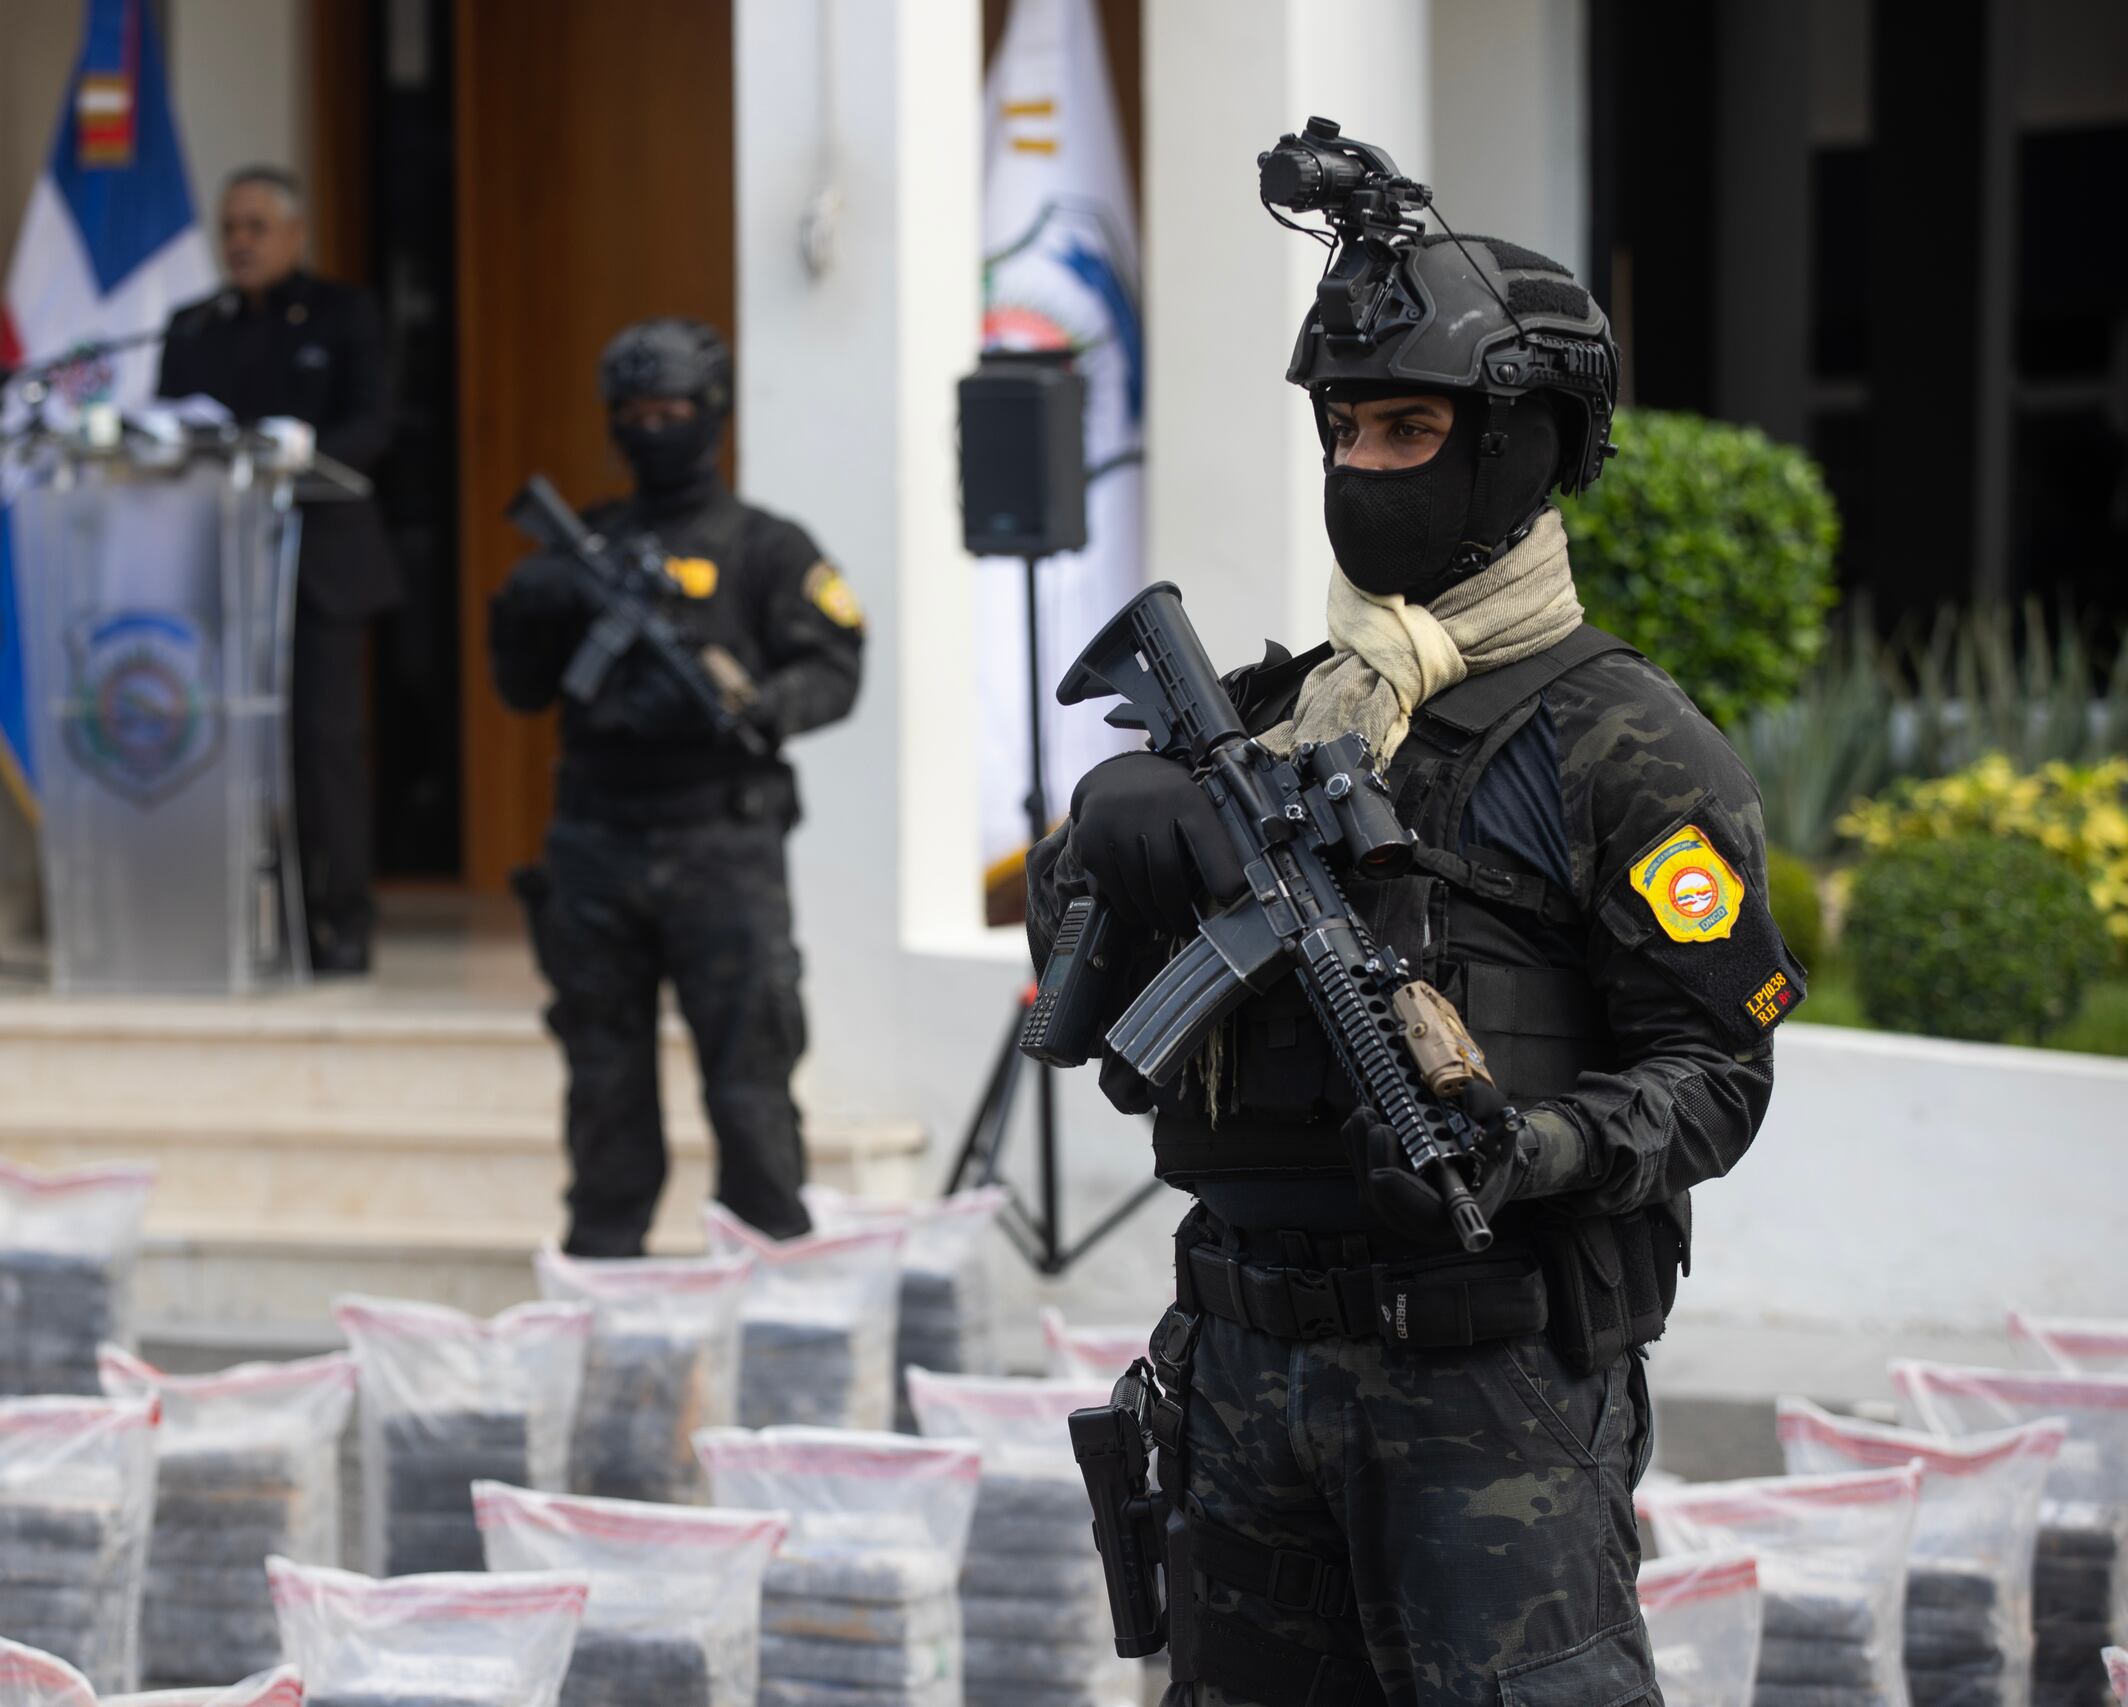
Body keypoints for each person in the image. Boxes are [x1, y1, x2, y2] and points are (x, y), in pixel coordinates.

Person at [1029, 225, 1809, 1702]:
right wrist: (1103, 847)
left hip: (1490, 1393)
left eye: (1410, 426)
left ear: (1520, 449)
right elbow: (1097, 1016)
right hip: (1241, 1374)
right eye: (1346, 428)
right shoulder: (1259, 719)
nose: (1366, 464)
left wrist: (1538, 1145)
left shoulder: (1624, 744)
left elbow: (1717, 1073)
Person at [488, 317, 864, 1256]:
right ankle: (608, 1271)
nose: (655, 429)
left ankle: (770, 1262)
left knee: (750, 1079)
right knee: (605, 1077)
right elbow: (522, 689)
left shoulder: (769, 547)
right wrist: (526, 611)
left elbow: (836, 667)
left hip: (722, 845)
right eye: (637, 413)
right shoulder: (589, 545)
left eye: (675, 411)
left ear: (713, 416)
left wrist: (753, 703)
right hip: (597, 841)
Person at [159, 164, 398, 975]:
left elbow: (375, 423)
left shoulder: (343, 314)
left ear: (297, 234)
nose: (241, 243)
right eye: (230, 227)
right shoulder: (194, 325)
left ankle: (340, 918)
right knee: (217, 741)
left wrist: (301, 458)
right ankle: (236, 913)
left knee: (320, 744)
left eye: (258, 227)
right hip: (222, 562)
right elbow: (173, 428)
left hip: (318, 561)